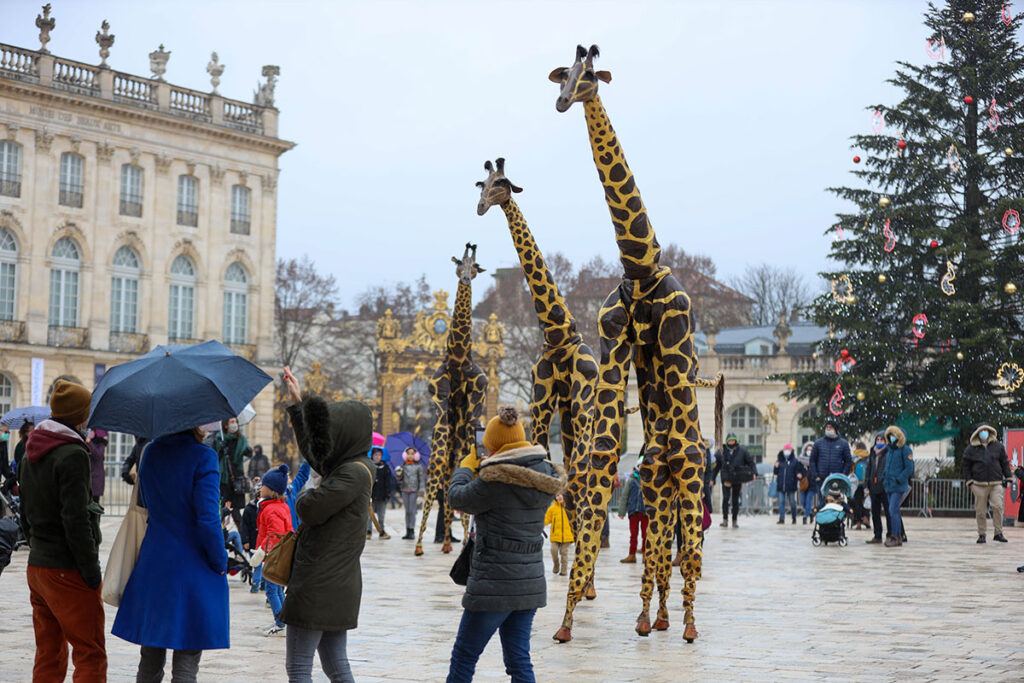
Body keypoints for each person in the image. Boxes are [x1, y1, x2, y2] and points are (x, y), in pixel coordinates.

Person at [445, 405, 564, 683]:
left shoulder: (495, 479)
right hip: (529, 581)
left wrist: (465, 468)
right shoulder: (545, 474)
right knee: (519, 658)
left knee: (464, 656)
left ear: (495, 445)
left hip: (494, 585)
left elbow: (457, 498)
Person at [278, 365, 373, 681]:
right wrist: (297, 404)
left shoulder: (351, 473)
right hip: (334, 583)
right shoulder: (351, 465)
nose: (329, 439)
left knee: (299, 667)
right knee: (336, 665)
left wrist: (307, 489)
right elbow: (315, 454)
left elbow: (308, 509)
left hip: (319, 583)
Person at [112, 425, 229, 681]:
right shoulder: (203, 456)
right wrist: (220, 560)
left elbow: (145, 501)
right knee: (187, 658)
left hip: (154, 561)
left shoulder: (150, 452)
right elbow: (208, 519)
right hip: (192, 566)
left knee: (150, 656)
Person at [19, 381, 106, 681]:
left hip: (38, 566)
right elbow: (76, 519)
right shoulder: (72, 454)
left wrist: (38, 546)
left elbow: (24, 512)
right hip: (67, 569)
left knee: (49, 651)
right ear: (78, 415)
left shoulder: (31, 451)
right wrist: (90, 571)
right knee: (90, 652)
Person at [255, 464, 294, 635]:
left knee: (272, 589)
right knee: (277, 589)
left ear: (271, 490)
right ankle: (285, 620)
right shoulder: (279, 506)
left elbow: (275, 535)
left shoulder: (271, 509)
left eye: (263, 485)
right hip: (279, 554)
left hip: (274, 556)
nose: (260, 487)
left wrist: (263, 552)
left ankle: (280, 623)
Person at [961, 423, 1011, 544]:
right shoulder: (971, 449)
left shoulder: (998, 446)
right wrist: (970, 482)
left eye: (986, 430)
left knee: (998, 506)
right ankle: (982, 534)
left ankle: (998, 533)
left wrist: (1008, 478)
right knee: (980, 510)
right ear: (977, 434)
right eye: (982, 431)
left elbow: (1004, 462)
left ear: (990, 432)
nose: (984, 433)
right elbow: (965, 466)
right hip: (978, 484)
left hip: (996, 482)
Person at [214, 417, 252, 529]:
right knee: (221, 509)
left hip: (236, 480)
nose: (234, 424)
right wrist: (221, 450)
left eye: (236, 422)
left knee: (236, 512)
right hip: (224, 481)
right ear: (225, 425)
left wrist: (247, 452)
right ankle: (220, 535)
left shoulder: (241, 439)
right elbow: (215, 458)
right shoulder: (218, 439)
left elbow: (245, 457)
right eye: (232, 422)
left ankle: (243, 540)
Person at [713, 433, 755, 528]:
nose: (731, 442)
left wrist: (753, 473)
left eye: (733, 440)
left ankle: (734, 520)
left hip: (737, 478)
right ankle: (725, 520)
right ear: (727, 441)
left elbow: (750, 462)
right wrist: (713, 478)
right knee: (726, 499)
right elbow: (716, 467)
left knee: (735, 500)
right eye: (730, 441)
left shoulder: (742, 451)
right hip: (726, 478)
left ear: (735, 441)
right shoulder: (722, 451)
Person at [881, 426, 914, 548]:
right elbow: (887, 466)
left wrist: (900, 478)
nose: (891, 437)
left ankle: (895, 535)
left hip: (898, 485)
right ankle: (897, 535)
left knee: (892, 510)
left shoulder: (905, 450)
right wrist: (884, 477)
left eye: (893, 435)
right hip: (889, 485)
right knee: (894, 511)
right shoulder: (890, 450)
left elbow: (909, 468)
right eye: (889, 435)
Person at [809, 420, 853, 508]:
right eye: (827, 427)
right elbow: (812, 460)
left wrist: (843, 475)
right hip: (821, 479)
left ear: (835, 429)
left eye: (830, 427)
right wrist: (816, 476)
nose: (828, 429)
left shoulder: (843, 443)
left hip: (837, 480)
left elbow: (848, 461)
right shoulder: (818, 443)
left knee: (837, 504)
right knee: (823, 503)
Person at [864, 432, 891, 544]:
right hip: (873, 486)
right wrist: (867, 485)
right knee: (875, 513)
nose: (879, 442)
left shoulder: (889, 452)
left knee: (888, 513)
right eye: (878, 439)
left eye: (882, 440)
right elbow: (869, 469)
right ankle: (877, 535)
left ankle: (890, 535)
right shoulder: (872, 452)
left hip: (885, 487)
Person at [617, 465, 647, 563]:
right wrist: (622, 511)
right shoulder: (631, 480)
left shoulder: (649, 479)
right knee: (633, 534)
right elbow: (625, 496)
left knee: (646, 534)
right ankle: (632, 554)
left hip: (645, 511)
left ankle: (645, 554)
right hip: (633, 511)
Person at [398, 447, 425, 540]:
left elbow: (421, 480)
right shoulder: (402, 466)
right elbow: (399, 480)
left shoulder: (419, 466)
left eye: (412, 453)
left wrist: (421, 493)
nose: (410, 455)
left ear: (415, 455)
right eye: (408, 453)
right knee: (407, 511)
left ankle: (412, 530)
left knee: (412, 511)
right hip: (405, 490)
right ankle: (407, 530)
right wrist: (398, 474)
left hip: (414, 491)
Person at [773, 443, 805, 524]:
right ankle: (782, 518)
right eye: (785, 449)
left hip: (791, 485)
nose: (787, 451)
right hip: (781, 485)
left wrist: (799, 475)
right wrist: (776, 467)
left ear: (791, 451)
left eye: (788, 450)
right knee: (781, 502)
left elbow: (798, 471)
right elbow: (775, 472)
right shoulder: (779, 460)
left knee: (792, 502)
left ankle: (794, 517)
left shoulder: (795, 461)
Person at [368, 446, 394, 540]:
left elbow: (388, 481)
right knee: (369, 515)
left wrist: (388, 492)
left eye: (379, 455)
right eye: (375, 455)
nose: (377, 457)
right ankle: (368, 531)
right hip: (372, 494)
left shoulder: (385, 467)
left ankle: (381, 530)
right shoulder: (369, 466)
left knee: (381, 515)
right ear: (372, 456)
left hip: (382, 494)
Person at [240, 482, 262, 593]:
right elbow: (244, 526)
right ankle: (255, 584)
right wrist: (245, 540)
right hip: (253, 541)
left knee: (261, 564)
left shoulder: (265, 507)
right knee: (257, 564)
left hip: (263, 541)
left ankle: (261, 584)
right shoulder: (249, 509)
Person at [544, 493, 573, 575]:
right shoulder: (552, 509)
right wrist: (539, 525)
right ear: (555, 498)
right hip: (555, 535)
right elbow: (547, 519)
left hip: (566, 536)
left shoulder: (567, 508)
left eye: (561, 495)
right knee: (554, 551)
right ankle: (556, 565)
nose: (560, 497)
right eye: (557, 495)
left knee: (564, 553)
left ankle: (564, 570)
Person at [850, 441, 870, 529]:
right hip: (866, 483)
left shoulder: (854, 456)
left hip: (856, 483)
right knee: (866, 501)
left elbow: (851, 469)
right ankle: (866, 518)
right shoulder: (868, 456)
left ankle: (858, 522)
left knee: (857, 502)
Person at [85, 429, 108, 504]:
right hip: (87, 477)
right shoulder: (85, 442)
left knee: (94, 502)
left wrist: (90, 442)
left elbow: (98, 455)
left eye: (91, 431)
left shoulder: (101, 444)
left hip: (96, 478)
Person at [797, 441, 815, 523]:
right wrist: (798, 474)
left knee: (808, 500)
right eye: (808, 450)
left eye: (811, 450)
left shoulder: (815, 461)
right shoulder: (801, 460)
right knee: (803, 501)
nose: (809, 451)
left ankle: (805, 516)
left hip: (812, 484)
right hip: (803, 483)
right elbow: (797, 470)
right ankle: (810, 512)